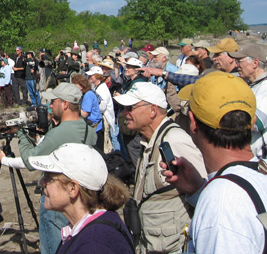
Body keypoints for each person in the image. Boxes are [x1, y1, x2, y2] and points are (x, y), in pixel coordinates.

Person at [167, 72, 267, 254]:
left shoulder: (222, 201)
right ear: (252, 123)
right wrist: (198, 189)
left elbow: (229, 216)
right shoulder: (260, 174)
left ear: (193, 123)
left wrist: (211, 196)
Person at [0, 83, 97, 254]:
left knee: (53, 244)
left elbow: (31, 161)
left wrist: (20, 133)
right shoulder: (89, 130)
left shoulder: (59, 133)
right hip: (82, 195)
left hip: (59, 194)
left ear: (65, 104)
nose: (50, 106)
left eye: (54, 102)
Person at [113, 82, 206, 253]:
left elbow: (205, 195)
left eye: (130, 108)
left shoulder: (174, 140)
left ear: (152, 110)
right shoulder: (149, 140)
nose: (125, 113)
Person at [28, 143, 134, 254]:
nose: (41, 182)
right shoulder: (100, 223)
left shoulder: (94, 245)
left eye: (49, 178)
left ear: (73, 189)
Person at [228, 44, 267, 157]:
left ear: (255, 63)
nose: (236, 65)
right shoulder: (253, 85)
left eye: (240, 61)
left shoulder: (265, 87)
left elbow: (258, 122)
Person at [71, 74, 103, 148]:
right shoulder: (87, 93)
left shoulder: (88, 95)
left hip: (94, 126)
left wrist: (73, 107)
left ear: (81, 86)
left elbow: (84, 113)